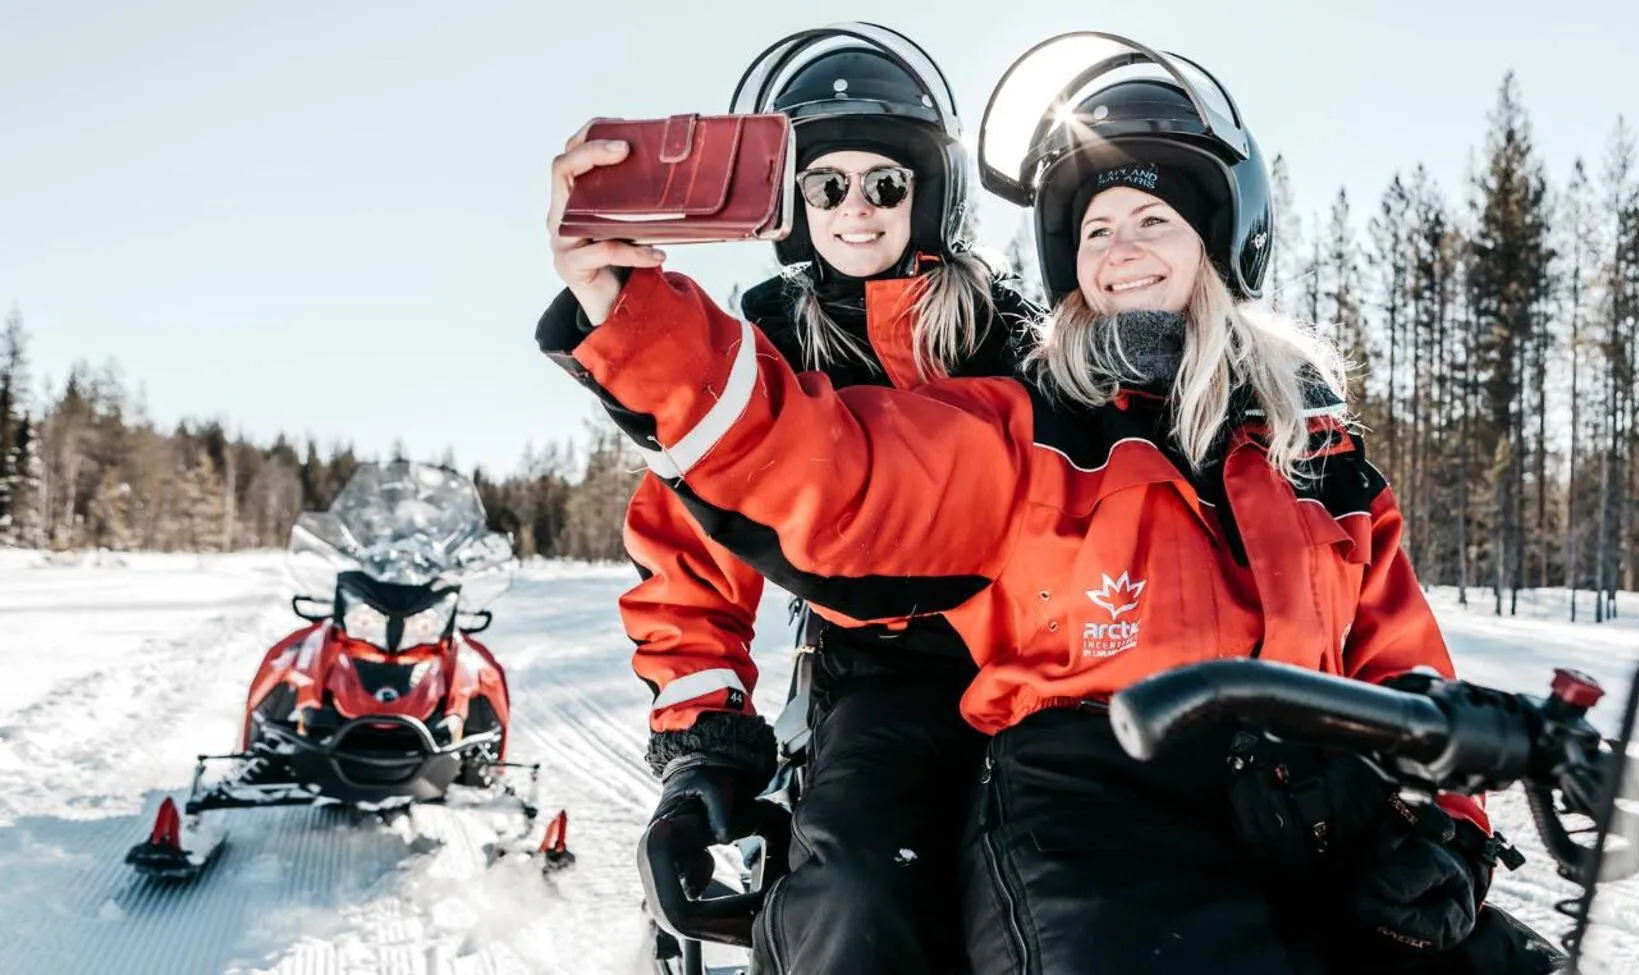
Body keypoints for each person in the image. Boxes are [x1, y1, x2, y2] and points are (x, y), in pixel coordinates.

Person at [542, 32, 1559, 974]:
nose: (856, 208)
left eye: (1154, 219)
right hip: (964, 711)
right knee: (858, 895)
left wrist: (1447, 816)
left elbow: (1394, 651)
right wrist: (632, 317)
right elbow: (811, 480)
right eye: (1097, 228)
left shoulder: (1294, 440)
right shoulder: (1014, 409)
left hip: (1280, 778)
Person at [540, 24, 1037, 974]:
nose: (855, 208)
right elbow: (689, 557)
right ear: (791, 203)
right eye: (825, 184)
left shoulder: (1011, 333)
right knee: (854, 891)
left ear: (929, 193)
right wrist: (702, 744)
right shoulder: (754, 346)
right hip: (879, 677)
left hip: (1035, 666)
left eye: (885, 184)